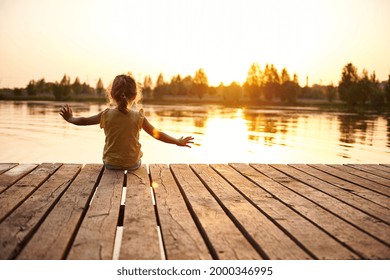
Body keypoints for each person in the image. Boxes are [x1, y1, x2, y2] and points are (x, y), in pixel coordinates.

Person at [60, 74, 194, 170]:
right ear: (135, 96)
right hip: (132, 164)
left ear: (112, 95)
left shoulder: (106, 114)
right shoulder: (138, 117)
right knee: (136, 158)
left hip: (110, 164)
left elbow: (84, 120)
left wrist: (70, 118)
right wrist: (177, 141)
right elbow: (157, 134)